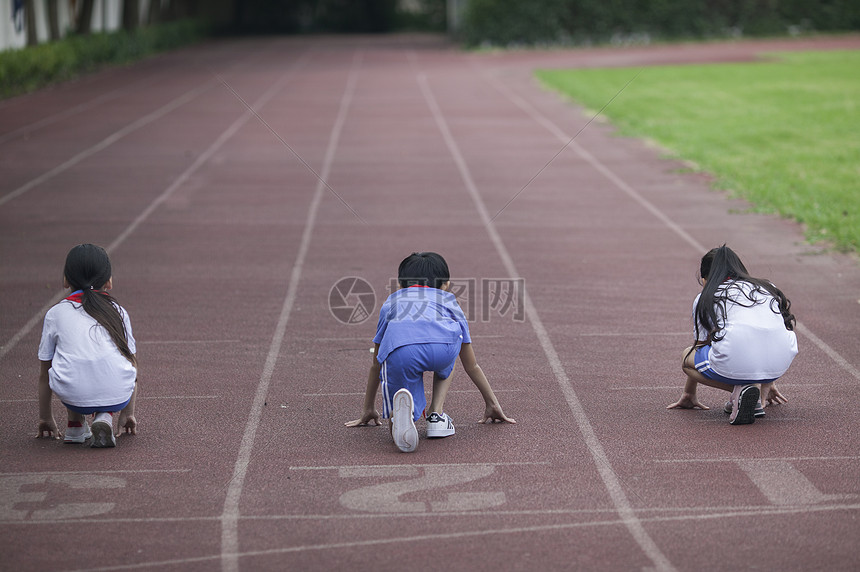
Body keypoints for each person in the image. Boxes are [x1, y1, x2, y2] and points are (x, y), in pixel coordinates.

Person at [346, 252, 515, 452]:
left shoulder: (392, 302)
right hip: (442, 351)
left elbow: (377, 364)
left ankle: (399, 420)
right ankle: (435, 414)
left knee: (398, 394)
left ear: (400, 285)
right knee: (453, 348)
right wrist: (492, 403)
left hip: (403, 352)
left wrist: (368, 408)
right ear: (446, 285)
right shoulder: (450, 301)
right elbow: (471, 365)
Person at [668, 245, 797, 424]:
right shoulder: (767, 287)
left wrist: (689, 393)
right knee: (759, 341)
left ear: (706, 278)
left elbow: (699, 346)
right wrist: (769, 380)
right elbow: (770, 329)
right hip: (780, 362)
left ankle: (740, 393)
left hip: (748, 361)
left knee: (686, 357)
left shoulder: (706, 297)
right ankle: (757, 395)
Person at [36, 244, 139, 447]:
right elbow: (132, 363)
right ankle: (105, 417)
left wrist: (45, 418)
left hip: (73, 394)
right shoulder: (119, 311)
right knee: (110, 361)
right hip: (117, 394)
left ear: (65, 280)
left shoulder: (55, 314)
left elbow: (44, 372)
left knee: (70, 357)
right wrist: (128, 412)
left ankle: (74, 425)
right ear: (109, 282)